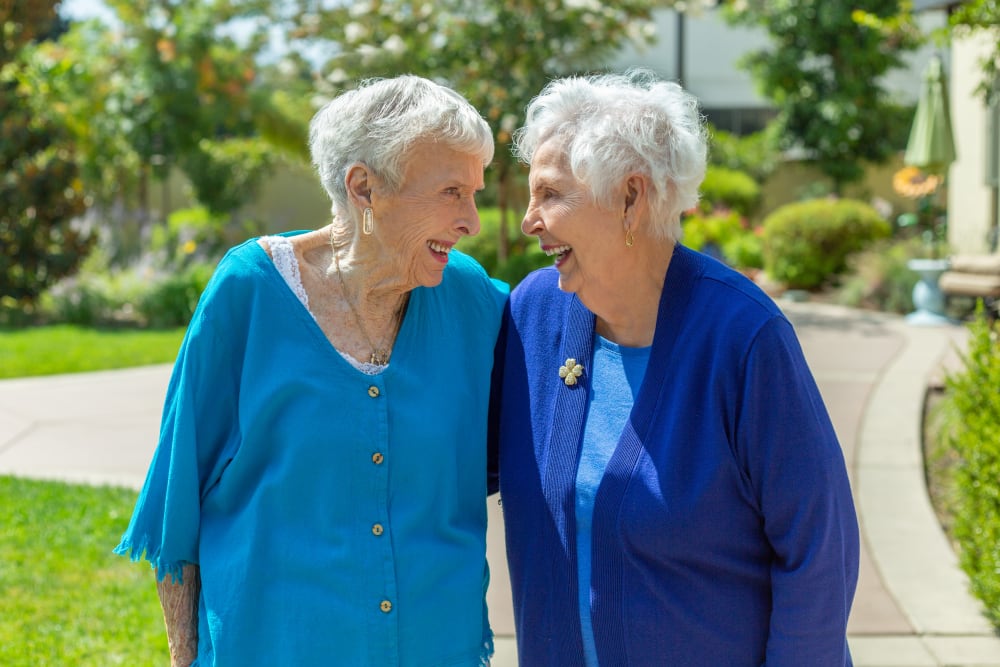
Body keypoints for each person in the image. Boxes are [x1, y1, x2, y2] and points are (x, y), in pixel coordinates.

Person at [115, 75, 508, 666]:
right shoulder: (249, 291)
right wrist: (184, 654)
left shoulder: (473, 301)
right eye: (452, 192)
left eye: (474, 193)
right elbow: (181, 499)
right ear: (364, 187)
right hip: (273, 646)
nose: (471, 221)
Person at [488, 69, 859, 665]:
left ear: (631, 198)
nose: (530, 220)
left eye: (551, 195)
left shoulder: (743, 337)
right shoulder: (534, 313)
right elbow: (445, 467)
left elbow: (819, 552)